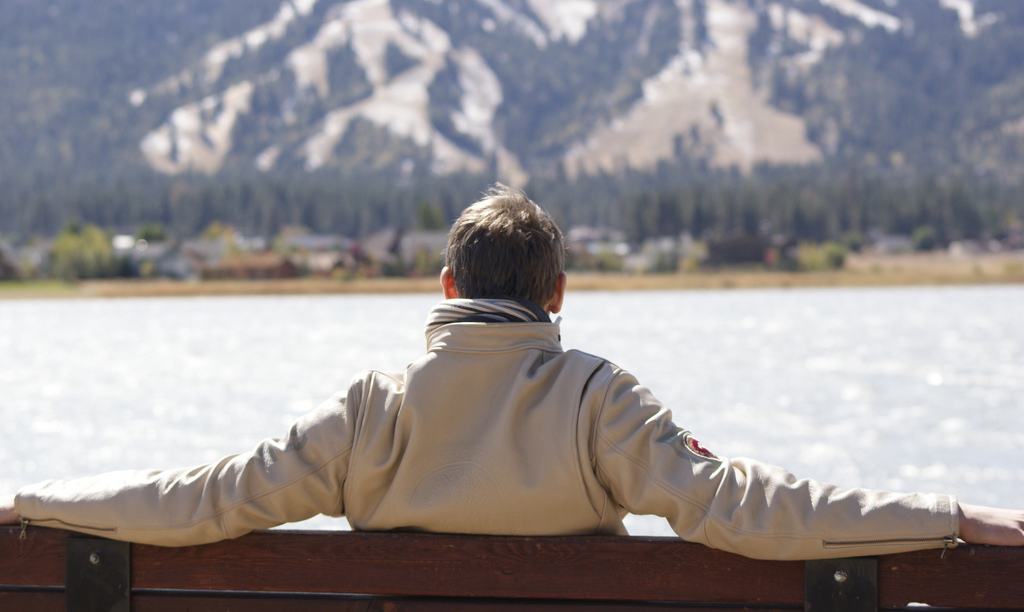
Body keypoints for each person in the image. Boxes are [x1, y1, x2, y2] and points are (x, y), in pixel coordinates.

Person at [1, 184, 1022, 558]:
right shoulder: (598, 403)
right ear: (560, 294)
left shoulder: (369, 412)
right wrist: (945, 515)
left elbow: (207, 498)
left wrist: (35, 503)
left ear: (446, 284)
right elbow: (743, 505)